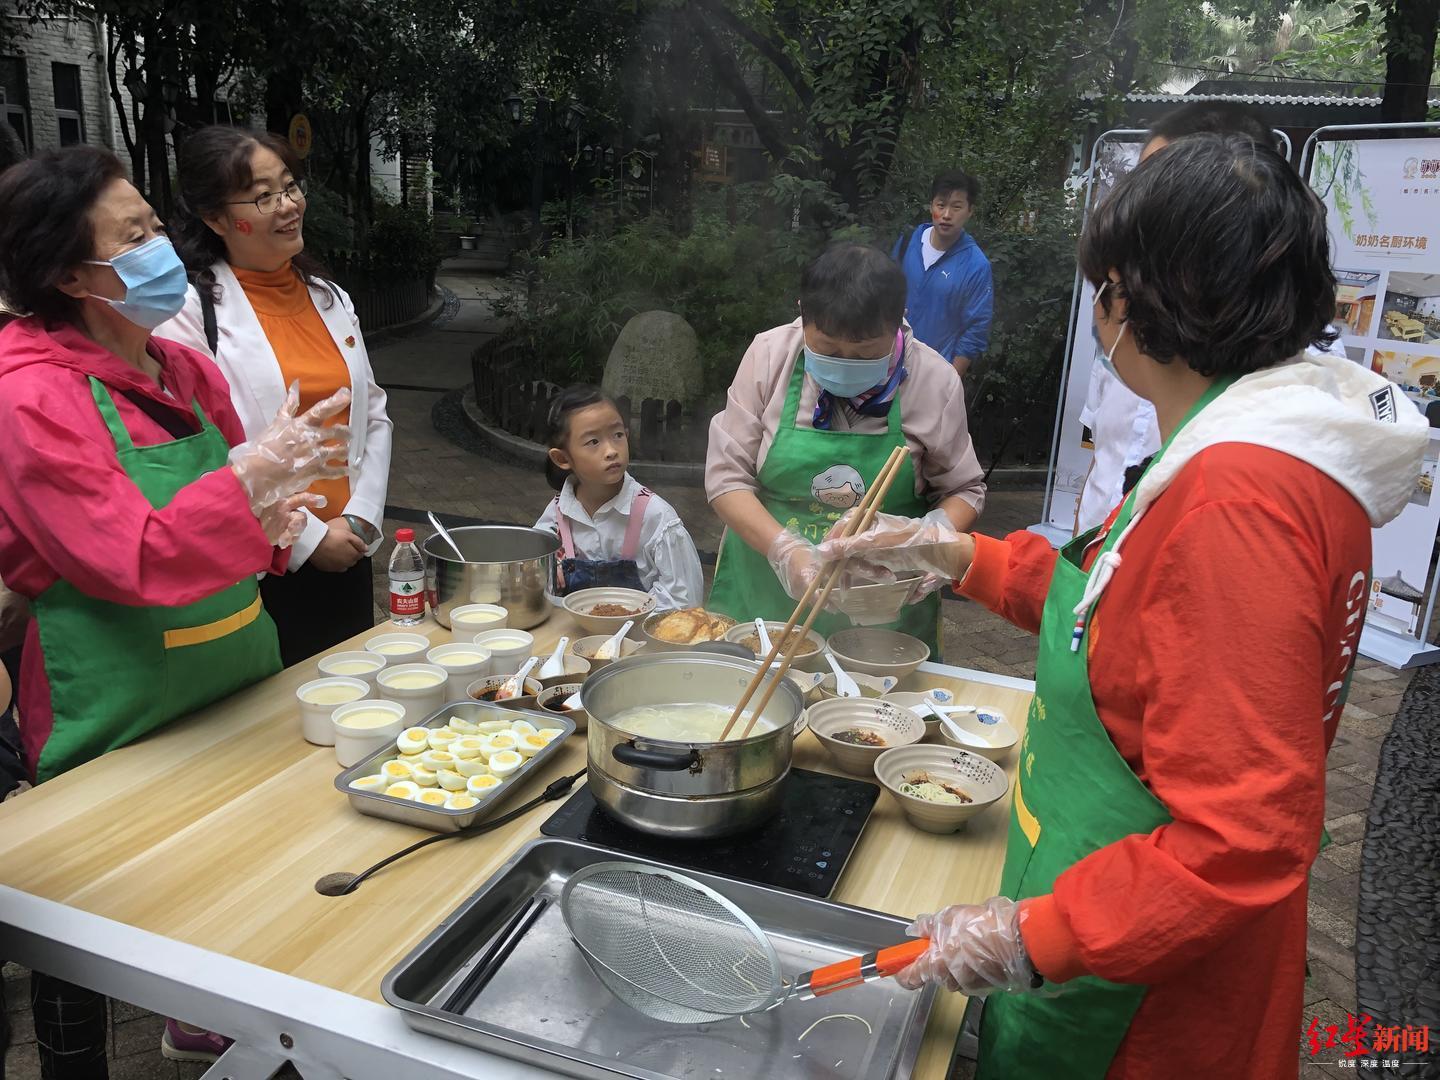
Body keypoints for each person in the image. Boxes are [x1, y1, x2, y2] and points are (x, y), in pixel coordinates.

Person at [818, 134, 1426, 1078]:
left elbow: (1241, 838)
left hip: (1141, 995)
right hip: (1118, 916)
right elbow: (1120, 607)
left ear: (1134, 300)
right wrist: (951, 552)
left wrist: (1033, 937)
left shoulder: (1240, 502)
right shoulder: (1264, 441)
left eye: (1102, 287)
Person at [0, 146, 347, 1078]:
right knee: (78, 925)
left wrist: (278, 513)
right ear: (71, 275)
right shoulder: (28, 396)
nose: (163, 248)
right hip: (113, 707)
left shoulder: (187, 372)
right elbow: (128, 554)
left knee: (228, 894)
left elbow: (243, 527)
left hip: (233, 681)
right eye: (135, 236)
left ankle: (220, 1030)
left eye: (156, 224)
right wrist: (248, 484)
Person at [159, 125, 392, 667]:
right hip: (263, 563)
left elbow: (372, 413)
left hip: (350, 549)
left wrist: (360, 518)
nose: (289, 206)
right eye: (264, 196)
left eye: (290, 186)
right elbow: (204, 449)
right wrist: (309, 540)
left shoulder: (329, 298)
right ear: (215, 218)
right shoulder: (189, 313)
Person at [706, 243, 985, 655]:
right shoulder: (768, 355)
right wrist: (786, 551)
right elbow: (727, 478)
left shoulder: (934, 380)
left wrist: (929, 541)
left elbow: (965, 489)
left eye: (866, 352)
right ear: (803, 315)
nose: (845, 361)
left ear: (898, 323)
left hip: (884, 607)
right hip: (763, 596)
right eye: (828, 349)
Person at [1075, 101, 1273, 533]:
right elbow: (1100, 463)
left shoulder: (1278, 392)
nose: (1138, 208)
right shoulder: (1126, 327)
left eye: (1162, 187)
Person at [535, 385, 703, 609]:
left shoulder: (655, 517)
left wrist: (631, 617)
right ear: (562, 459)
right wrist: (546, 569)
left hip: (641, 631)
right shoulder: (557, 514)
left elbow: (685, 599)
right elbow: (534, 570)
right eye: (593, 442)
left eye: (617, 435)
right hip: (572, 630)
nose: (611, 451)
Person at [891, 170, 993, 376]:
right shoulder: (908, 241)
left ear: (970, 211)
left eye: (956, 207)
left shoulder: (975, 265)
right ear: (931, 206)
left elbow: (976, 329)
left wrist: (951, 380)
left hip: (935, 372)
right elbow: (884, 291)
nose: (946, 215)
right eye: (941, 205)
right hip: (891, 362)